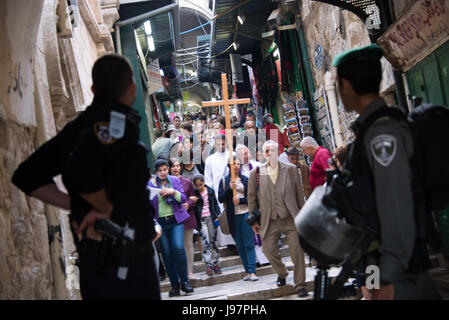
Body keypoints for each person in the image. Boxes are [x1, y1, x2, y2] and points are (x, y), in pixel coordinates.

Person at [11, 54, 161, 299]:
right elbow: (79, 170)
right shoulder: (113, 123)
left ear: (93, 89)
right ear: (133, 88)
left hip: (102, 262)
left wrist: (77, 204)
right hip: (123, 265)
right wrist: (102, 206)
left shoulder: (80, 126)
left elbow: (28, 175)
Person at [332, 44, 440, 299]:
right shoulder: (367, 131)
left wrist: (387, 276)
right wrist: (372, 282)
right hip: (374, 259)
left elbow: (396, 206)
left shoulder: (383, 133)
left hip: (398, 269)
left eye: (338, 86)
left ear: (345, 85)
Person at [248, 140, 308, 297]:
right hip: (270, 220)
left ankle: (300, 284)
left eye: (272, 150)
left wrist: (304, 215)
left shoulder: (291, 170)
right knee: (267, 250)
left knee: (297, 251)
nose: (269, 154)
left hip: (290, 218)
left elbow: (299, 194)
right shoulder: (257, 173)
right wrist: (253, 220)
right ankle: (282, 273)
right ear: (263, 154)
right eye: (266, 151)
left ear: (278, 152)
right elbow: (252, 198)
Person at [147, 159, 194, 297]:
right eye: (160, 170)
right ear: (155, 171)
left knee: (178, 247)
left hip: (175, 220)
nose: (162, 172)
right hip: (160, 223)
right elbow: (147, 204)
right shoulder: (150, 184)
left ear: (168, 169)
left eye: (165, 169)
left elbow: (184, 199)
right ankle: (174, 285)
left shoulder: (174, 180)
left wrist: (172, 191)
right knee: (166, 253)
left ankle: (185, 282)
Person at [218, 155, 258, 281]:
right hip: (232, 217)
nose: (236, 165)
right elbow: (221, 198)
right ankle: (247, 270)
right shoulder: (224, 181)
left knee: (248, 243)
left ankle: (252, 271)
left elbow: (252, 199)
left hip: (245, 214)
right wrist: (230, 190)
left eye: (238, 163)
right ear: (229, 165)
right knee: (239, 245)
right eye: (234, 163)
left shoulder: (246, 180)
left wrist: (240, 200)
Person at [204, 134, 236, 248]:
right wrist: (212, 195)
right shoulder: (210, 160)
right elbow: (208, 179)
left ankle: (237, 240)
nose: (221, 146)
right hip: (219, 194)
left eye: (223, 144)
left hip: (234, 191)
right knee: (223, 217)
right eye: (218, 144)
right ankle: (228, 243)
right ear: (215, 144)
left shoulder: (233, 156)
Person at [169, 158, 198, 280]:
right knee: (176, 246)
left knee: (188, 244)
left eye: (177, 165)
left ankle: (190, 272)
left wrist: (188, 204)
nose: (176, 168)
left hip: (187, 216)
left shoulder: (187, 182)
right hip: (172, 218)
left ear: (180, 167)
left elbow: (194, 198)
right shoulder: (166, 183)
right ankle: (180, 273)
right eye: (173, 166)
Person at [191, 174, 222, 276]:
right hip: (201, 220)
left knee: (213, 242)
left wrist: (217, 215)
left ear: (204, 182)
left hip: (211, 218)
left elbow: (216, 204)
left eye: (201, 184)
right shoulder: (194, 194)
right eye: (197, 185)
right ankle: (208, 264)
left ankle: (215, 263)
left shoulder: (210, 191)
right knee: (205, 242)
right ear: (194, 186)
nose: (199, 187)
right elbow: (193, 209)